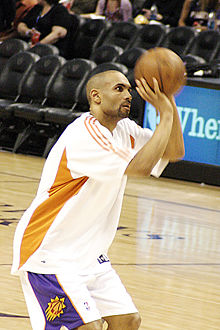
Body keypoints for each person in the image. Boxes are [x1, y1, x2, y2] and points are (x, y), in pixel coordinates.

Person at [11, 69, 185, 329]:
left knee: (128, 321)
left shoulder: (124, 129)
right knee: (87, 327)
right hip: (49, 252)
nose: (128, 95)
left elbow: (174, 151)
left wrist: (169, 101)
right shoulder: (84, 134)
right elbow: (139, 167)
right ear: (96, 96)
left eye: (128, 89)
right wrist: (166, 115)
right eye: (119, 89)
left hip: (90, 255)